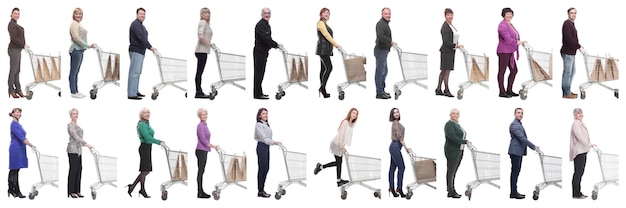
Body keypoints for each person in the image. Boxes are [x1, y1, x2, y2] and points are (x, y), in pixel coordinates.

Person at [125, 108, 165, 198]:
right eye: (144, 113)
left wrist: (158, 142)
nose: (147, 114)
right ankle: (139, 189)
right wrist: (159, 142)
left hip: (148, 148)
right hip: (144, 147)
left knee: (145, 170)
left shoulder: (146, 123)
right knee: (145, 170)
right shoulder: (142, 124)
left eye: (148, 112)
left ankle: (134, 187)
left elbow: (149, 137)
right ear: (141, 114)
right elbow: (147, 137)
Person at [314, 108, 358, 187]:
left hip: (340, 145)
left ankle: (323, 168)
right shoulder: (345, 122)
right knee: (339, 162)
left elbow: (347, 136)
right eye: (353, 113)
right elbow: (341, 133)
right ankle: (337, 179)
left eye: (356, 114)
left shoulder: (352, 124)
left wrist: (343, 146)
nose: (355, 115)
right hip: (336, 144)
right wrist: (341, 145)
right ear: (350, 113)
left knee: (339, 162)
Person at [508, 107, 539, 199]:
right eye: (518, 113)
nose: (520, 114)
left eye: (522, 113)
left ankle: (514, 191)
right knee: (515, 172)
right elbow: (522, 138)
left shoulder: (519, 124)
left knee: (516, 172)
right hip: (515, 151)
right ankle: (513, 192)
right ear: (514, 114)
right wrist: (533, 146)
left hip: (518, 152)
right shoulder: (514, 125)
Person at [127, 8, 157, 100]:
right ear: (137, 14)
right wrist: (150, 47)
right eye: (141, 14)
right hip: (136, 50)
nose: (142, 15)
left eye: (144, 14)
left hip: (140, 51)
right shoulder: (135, 24)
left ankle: (135, 91)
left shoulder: (141, 25)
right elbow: (141, 38)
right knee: (134, 72)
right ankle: (131, 94)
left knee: (137, 72)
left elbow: (143, 38)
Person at [497, 8, 526, 98]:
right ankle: (502, 91)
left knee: (514, 70)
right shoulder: (502, 25)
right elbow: (507, 38)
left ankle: (509, 90)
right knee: (502, 71)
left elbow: (515, 36)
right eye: (507, 14)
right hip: (504, 51)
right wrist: (518, 42)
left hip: (510, 51)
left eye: (510, 14)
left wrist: (520, 42)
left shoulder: (510, 24)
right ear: (503, 15)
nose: (509, 15)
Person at [253, 8, 282, 100]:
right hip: (259, 52)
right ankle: (257, 94)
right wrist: (276, 45)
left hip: (264, 52)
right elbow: (265, 39)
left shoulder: (266, 25)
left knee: (261, 73)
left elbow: (268, 38)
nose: (267, 15)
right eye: (265, 13)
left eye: (268, 13)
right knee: (258, 73)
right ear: (261, 14)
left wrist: (276, 45)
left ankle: (259, 92)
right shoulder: (260, 25)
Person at [8, 108, 36, 198]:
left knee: (16, 170)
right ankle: (15, 190)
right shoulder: (13, 125)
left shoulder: (18, 125)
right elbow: (21, 138)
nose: (19, 113)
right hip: (15, 149)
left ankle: (12, 189)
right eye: (16, 112)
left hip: (20, 149)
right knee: (14, 169)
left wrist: (31, 144)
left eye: (20, 112)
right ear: (12, 114)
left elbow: (24, 137)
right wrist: (31, 145)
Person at [66, 108, 94, 198]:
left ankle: (77, 190)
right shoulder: (70, 125)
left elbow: (79, 137)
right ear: (70, 115)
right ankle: (71, 191)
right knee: (73, 170)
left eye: (76, 113)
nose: (75, 115)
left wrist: (83, 145)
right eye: (73, 114)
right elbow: (76, 137)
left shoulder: (77, 125)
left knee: (79, 169)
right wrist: (87, 144)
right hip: (72, 150)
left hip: (78, 150)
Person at [444, 108, 471, 198]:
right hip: (452, 151)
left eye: (457, 113)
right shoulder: (449, 125)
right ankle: (451, 191)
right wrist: (465, 141)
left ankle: (451, 189)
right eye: (453, 113)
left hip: (459, 150)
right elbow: (453, 137)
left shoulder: (457, 124)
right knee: (451, 171)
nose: (455, 115)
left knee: (454, 171)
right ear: (450, 115)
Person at [68, 8, 95, 99]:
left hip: (80, 50)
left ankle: (76, 91)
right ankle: (73, 91)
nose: (78, 15)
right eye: (76, 14)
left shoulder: (78, 24)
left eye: (80, 14)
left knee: (76, 72)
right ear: (73, 15)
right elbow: (76, 37)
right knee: (73, 72)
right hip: (76, 50)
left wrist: (86, 46)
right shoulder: (74, 24)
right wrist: (86, 45)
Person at [254, 108, 281, 198]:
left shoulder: (266, 124)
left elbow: (267, 138)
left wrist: (272, 143)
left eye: (266, 113)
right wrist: (275, 142)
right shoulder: (259, 125)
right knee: (262, 169)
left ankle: (262, 189)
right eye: (263, 113)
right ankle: (260, 191)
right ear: (259, 116)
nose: (265, 115)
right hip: (261, 146)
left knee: (266, 168)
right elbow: (264, 138)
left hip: (266, 147)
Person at [437, 8, 463, 98]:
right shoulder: (445, 27)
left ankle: (438, 89)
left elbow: (454, 37)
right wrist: (456, 45)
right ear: (445, 16)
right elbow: (446, 42)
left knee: (444, 70)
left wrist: (457, 44)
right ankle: (446, 89)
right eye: (448, 15)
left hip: (451, 51)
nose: (450, 16)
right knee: (446, 71)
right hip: (446, 51)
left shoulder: (451, 25)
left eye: (451, 15)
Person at [316, 7, 341, 98]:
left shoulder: (325, 24)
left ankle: (323, 89)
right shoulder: (320, 23)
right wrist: (337, 45)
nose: (326, 14)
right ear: (321, 14)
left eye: (328, 13)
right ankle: (322, 88)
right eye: (324, 13)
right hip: (323, 50)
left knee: (323, 69)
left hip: (326, 50)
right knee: (329, 68)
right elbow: (327, 36)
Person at [570, 108, 595, 199]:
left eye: (581, 113)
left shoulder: (580, 124)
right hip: (579, 152)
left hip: (583, 151)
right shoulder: (576, 125)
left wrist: (588, 145)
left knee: (579, 173)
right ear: (574, 115)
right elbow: (580, 137)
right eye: (578, 113)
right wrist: (590, 144)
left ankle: (578, 192)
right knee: (578, 173)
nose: (580, 114)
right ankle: (576, 194)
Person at [196, 108, 218, 198]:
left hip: (204, 150)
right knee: (200, 172)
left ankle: (201, 192)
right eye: (202, 114)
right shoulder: (200, 125)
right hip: (201, 150)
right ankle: (200, 192)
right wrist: (213, 146)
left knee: (202, 171)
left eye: (206, 114)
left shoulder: (205, 125)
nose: (205, 116)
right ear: (199, 116)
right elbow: (203, 140)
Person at [388, 108, 410, 198]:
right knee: (402, 167)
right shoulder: (396, 124)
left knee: (392, 168)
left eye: (397, 112)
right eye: (394, 113)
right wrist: (406, 148)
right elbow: (400, 138)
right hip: (395, 146)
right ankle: (399, 188)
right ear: (392, 115)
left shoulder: (396, 123)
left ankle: (392, 188)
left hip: (395, 147)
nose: (396, 114)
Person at [374, 8, 396, 99]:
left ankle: (382, 90)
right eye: (386, 13)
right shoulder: (380, 24)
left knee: (384, 71)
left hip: (384, 51)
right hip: (380, 50)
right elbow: (381, 36)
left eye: (389, 13)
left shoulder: (385, 24)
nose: (388, 15)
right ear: (382, 14)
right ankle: (379, 92)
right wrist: (391, 42)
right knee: (380, 72)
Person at [561, 8, 582, 99]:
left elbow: (573, 38)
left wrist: (578, 46)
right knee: (567, 72)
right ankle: (566, 93)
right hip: (567, 52)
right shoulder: (567, 23)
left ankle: (568, 90)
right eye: (571, 13)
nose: (573, 15)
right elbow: (568, 38)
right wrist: (578, 46)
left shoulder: (572, 24)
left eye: (575, 13)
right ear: (568, 14)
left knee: (572, 71)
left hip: (572, 52)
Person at [8, 8, 28, 99]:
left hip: (18, 49)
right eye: (15, 13)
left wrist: (24, 45)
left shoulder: (16, 24)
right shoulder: (11, 24)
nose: (17, 15)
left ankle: (18, 89)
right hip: (14, 49)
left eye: (18, 14)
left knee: (17, 71)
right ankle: (11, 90)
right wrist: (23, 45)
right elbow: (14, 38)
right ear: (11, 14)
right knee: (13, 71)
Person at [194, 7, 213, 99]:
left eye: (208, 13)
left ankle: (199, 91)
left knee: (200, 72)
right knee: (199, 72)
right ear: (201, 14)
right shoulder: (203, 22)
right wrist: (209, 44)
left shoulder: (206, 24)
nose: (207, 15)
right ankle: (198, 92)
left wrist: (209, 44)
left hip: (203, 51)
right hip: (201, 51)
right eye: (205, 13)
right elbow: (200, 36)